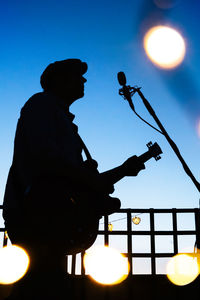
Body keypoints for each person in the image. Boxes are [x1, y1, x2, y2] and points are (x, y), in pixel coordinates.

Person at [2, 59, 145, 299]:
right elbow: (47, 158)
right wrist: (90, 180)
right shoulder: (41, 104)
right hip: (36, 216)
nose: (84, 80)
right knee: (41, 286)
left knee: (46, 285)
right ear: (59, 81)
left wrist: (122, 170)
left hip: (48, 217)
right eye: (77, 76)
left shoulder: (61, 118)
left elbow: (73, 181)